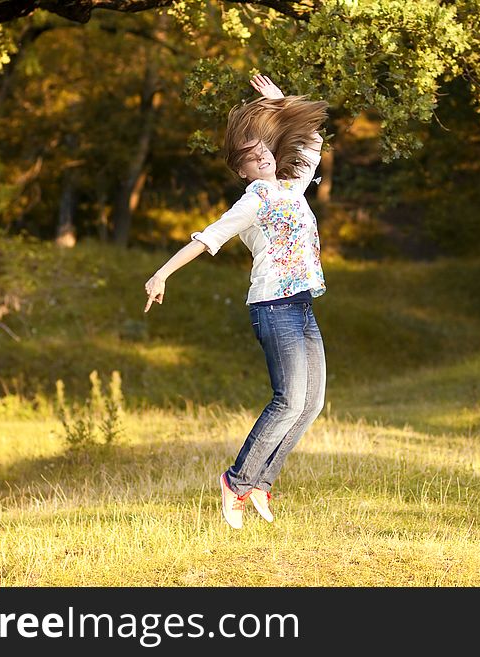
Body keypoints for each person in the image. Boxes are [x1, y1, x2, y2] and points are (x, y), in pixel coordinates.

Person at [144, 74, 329, 529]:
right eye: (250, 156)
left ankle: (261, 484)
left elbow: (313, 142)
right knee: (288, 400)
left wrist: (280, 103)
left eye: (262, 148)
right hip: (272, 308)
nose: (261, 154)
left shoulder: (291, 186)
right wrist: (162, 273)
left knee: (312, 404)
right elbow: (209, 238)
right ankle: (236, 481)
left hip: (301, 304)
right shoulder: (254, 199)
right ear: (243, 170)